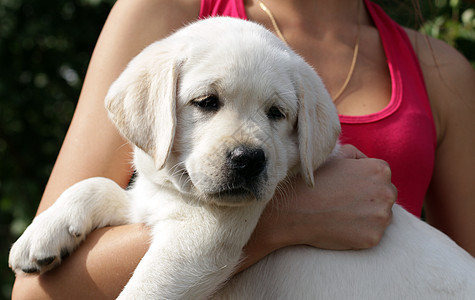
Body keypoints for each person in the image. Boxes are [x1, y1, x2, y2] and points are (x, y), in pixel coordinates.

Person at [12, 0, 475, 299]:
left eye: (276, 114)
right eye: (207, 102)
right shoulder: (165, 14)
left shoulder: (438, 68)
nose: (248, 149)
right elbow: (36, 293)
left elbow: (195, 237)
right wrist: (289, 219)